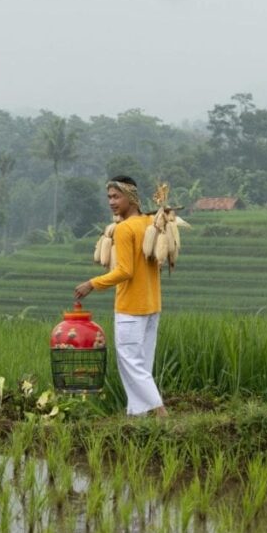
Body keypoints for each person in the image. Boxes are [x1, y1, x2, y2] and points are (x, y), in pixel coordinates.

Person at [74, 175, 167, 418]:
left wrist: (92, 284)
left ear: (131, 197)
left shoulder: (124, 229)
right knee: (142, 365)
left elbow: (125, 271)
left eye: (116, 197)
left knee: (131, 364)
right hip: (152, 306)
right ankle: (136, 416)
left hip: (131, 309)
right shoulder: (151, 223)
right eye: (109, 197)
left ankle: (161, 413)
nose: (111, 202)